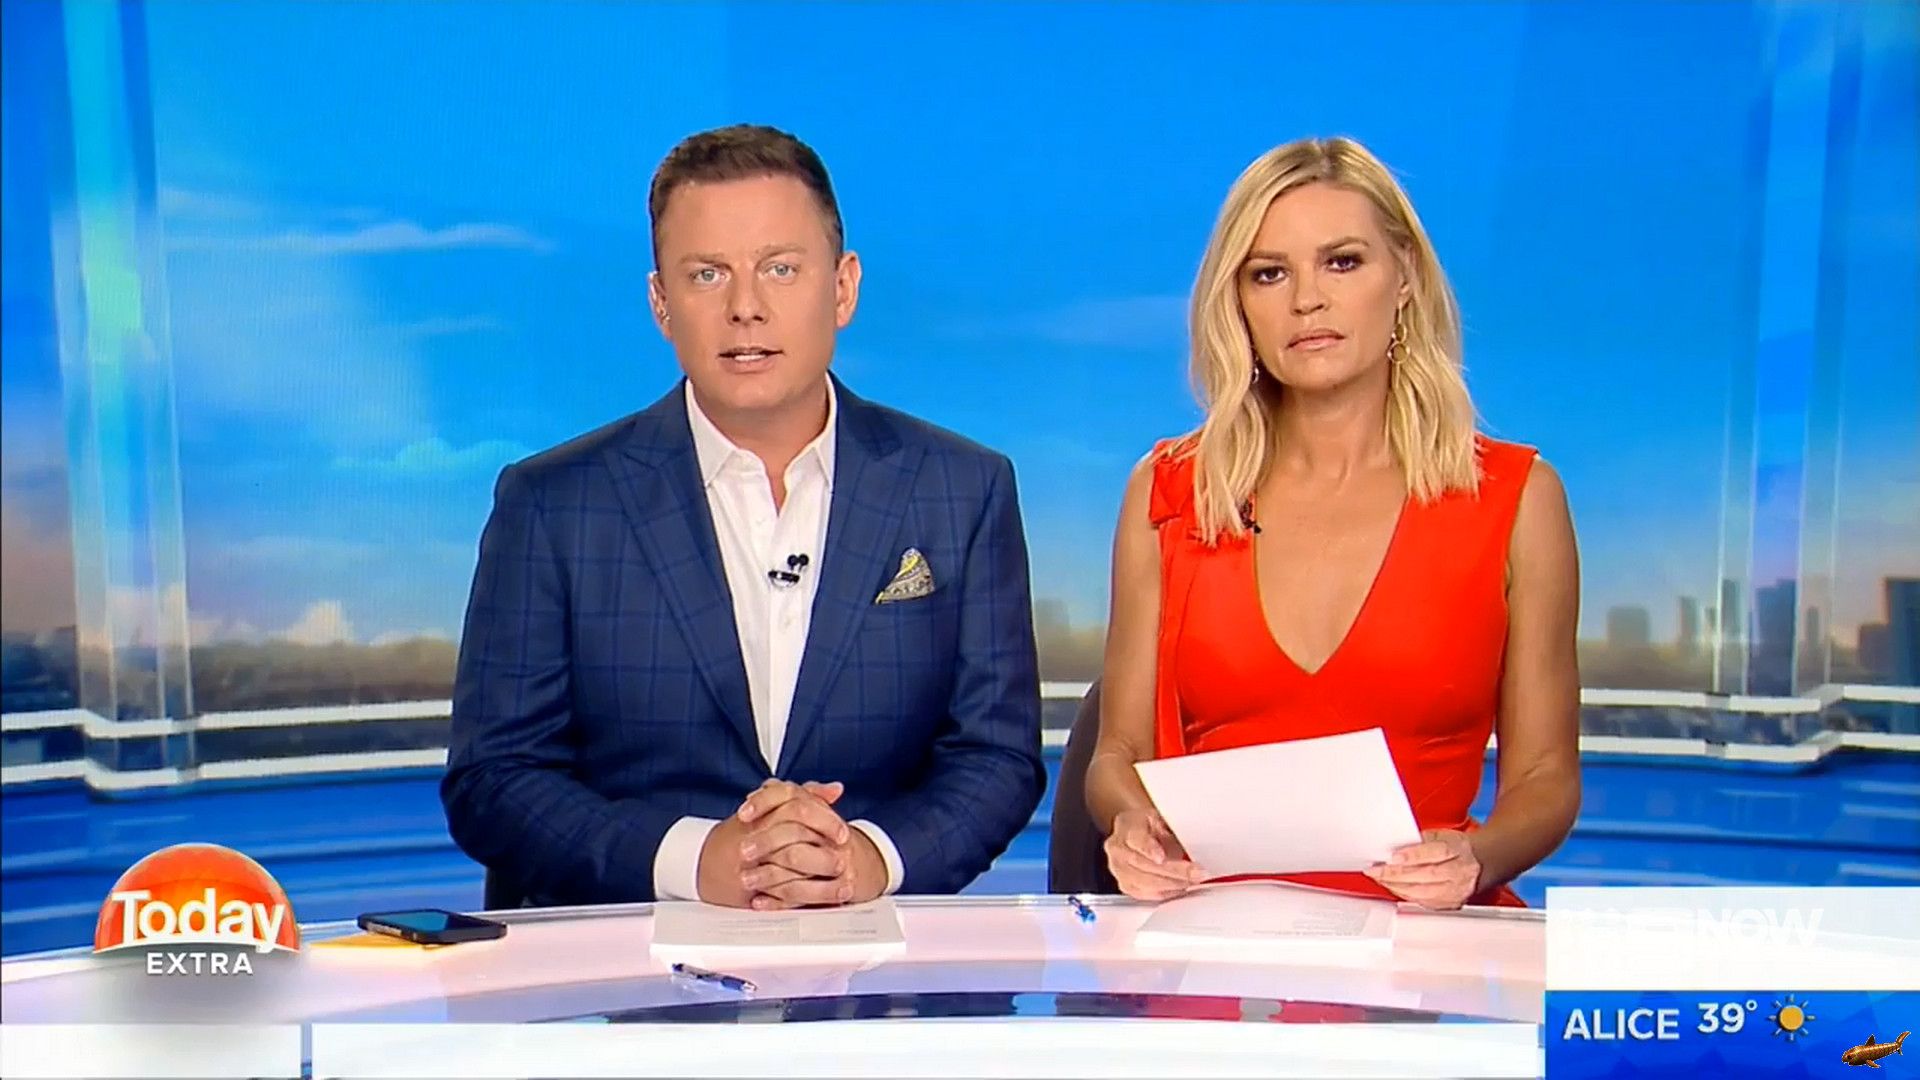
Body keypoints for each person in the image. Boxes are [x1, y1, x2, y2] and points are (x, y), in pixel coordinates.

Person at [443, 124, 1045, 911]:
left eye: (780, 269)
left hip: (882, 959)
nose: (746, 308)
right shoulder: (553, 504)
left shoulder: (962, 489)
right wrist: (696, 862)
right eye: (707, 275)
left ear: (843, 288)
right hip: (627, 960)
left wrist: (866, 860)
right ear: (661, 303)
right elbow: (494, 777)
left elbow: (997, 757)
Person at [1085, 136, 1581, 910]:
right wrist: (1130, 827)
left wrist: (1478, 856)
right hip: (1210, 935)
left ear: (1404, 275)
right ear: (1237, 301)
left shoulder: (1518, 499)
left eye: (1342, 262)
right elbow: (1116, 752)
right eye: (1269, 273)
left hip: (1425, 938)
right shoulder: (1170, 491)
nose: (1306, 300)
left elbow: (1546, 778)